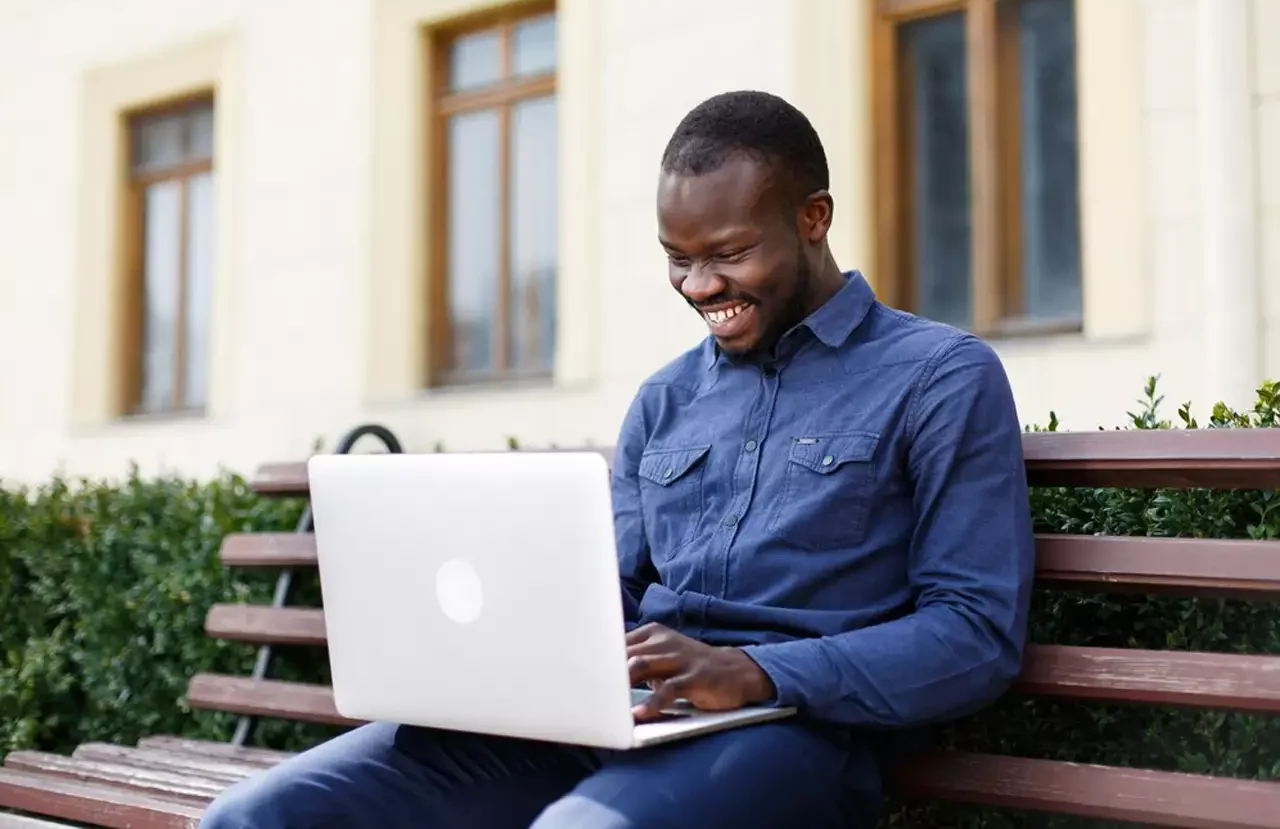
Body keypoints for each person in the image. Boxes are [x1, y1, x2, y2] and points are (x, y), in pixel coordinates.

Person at [201, 90, 1035, 829]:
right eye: (678, 257)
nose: (700, 284)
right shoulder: (663, 399)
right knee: (257, 815)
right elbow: (613, 593)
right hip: (615, 721)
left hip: (787, 737)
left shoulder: (938, 377)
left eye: (730, 253)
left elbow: (975, 633)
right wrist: (509, 655)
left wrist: (751, 671)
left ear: (813, 217)